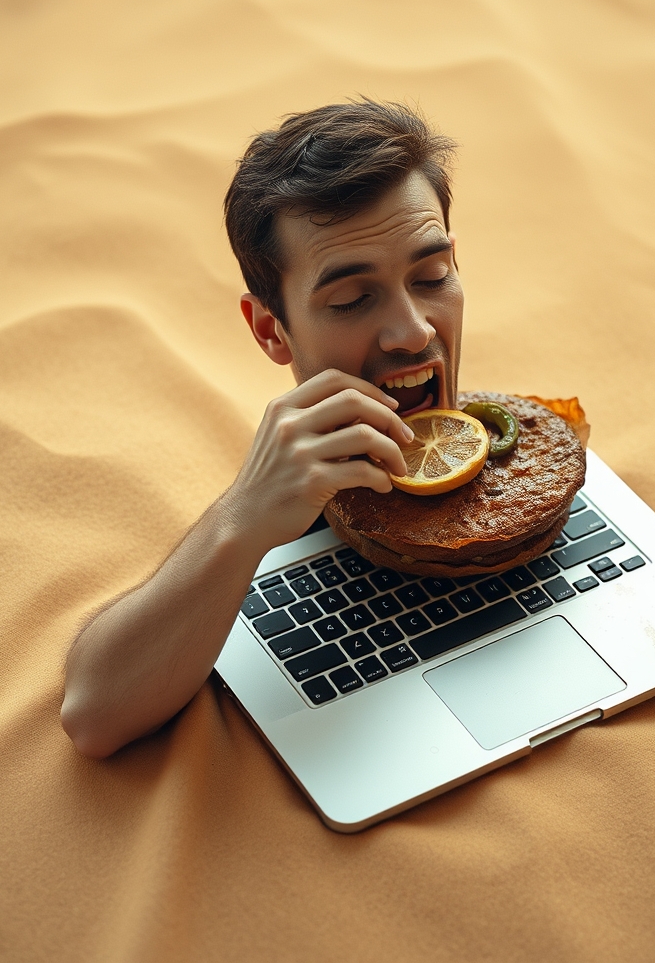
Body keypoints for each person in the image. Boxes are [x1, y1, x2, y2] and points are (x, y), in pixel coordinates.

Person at [61, 99, 465, 757]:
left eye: (432, 275)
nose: (416, 331)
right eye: (352, 298)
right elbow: (93, 714)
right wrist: (240, 518)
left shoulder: (525, 451)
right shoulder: (276, 511)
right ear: (270, 330)